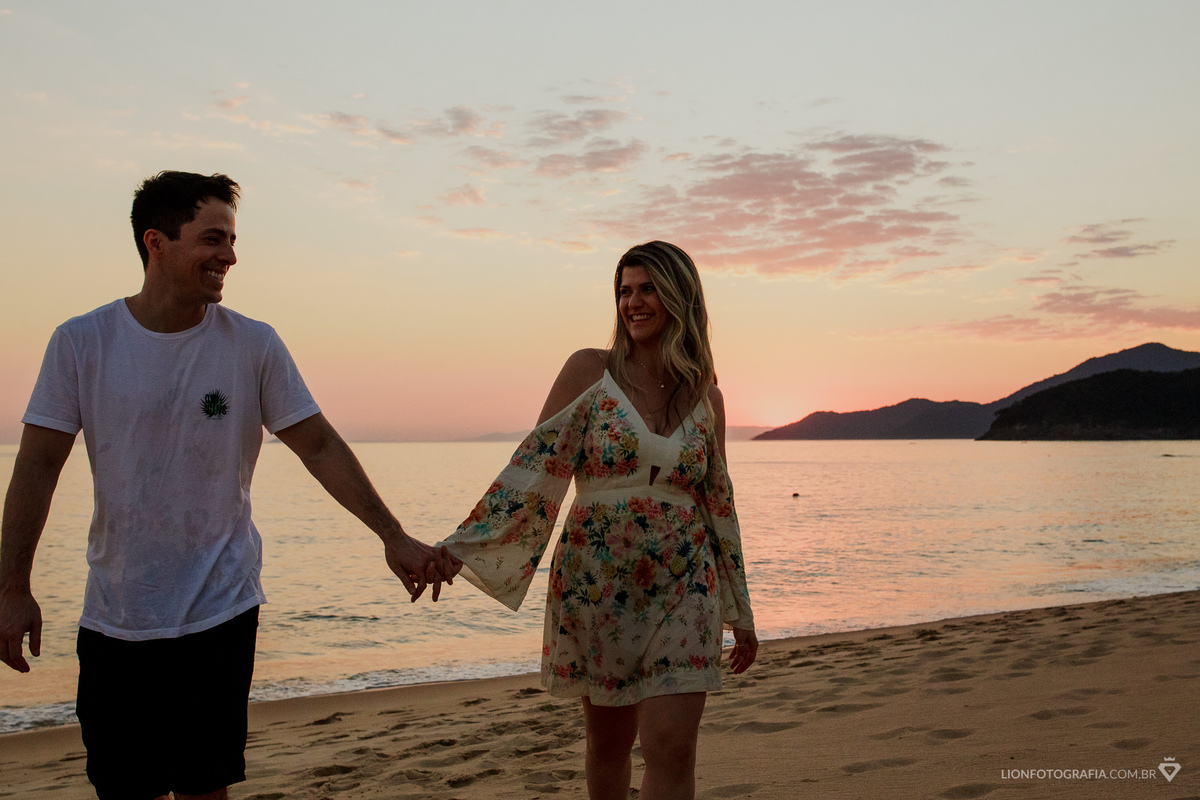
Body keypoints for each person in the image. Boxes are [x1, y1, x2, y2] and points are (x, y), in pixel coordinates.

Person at [0, 171, 455, 800]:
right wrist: (13, 586)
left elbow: (318, 444)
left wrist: (393, 534)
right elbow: (38, 465)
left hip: (222, 607)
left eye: (233, 240)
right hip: (117, 615)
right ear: (155, 242)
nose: (231, 257)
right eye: (213, 239)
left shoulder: (252, 344)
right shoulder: (83, 342)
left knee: (204, 789)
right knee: (122, 788)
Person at [441, 241, 757, 800]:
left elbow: (719, 505)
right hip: (598, 587)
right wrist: (459, 551)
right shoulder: (591, 369)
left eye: (647, 288)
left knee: (674, 747)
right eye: (624, 291)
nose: (632, 302)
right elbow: (534, 471)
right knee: (608, 747)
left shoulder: (709, 398)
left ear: (681, 297)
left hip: (687, 585)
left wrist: (741, 609)